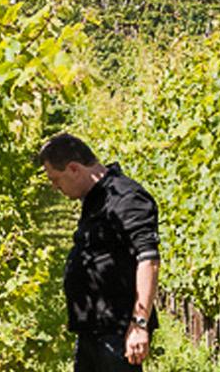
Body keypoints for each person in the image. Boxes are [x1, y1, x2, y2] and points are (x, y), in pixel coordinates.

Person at [38, 132, 160, 371]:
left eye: (56, 179)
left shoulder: (126, 198)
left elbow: (149, 260)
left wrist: (139, 323)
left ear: (74, 169)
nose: (54, 187)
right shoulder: (96, 197)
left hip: (118, 332)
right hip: (93, 329)